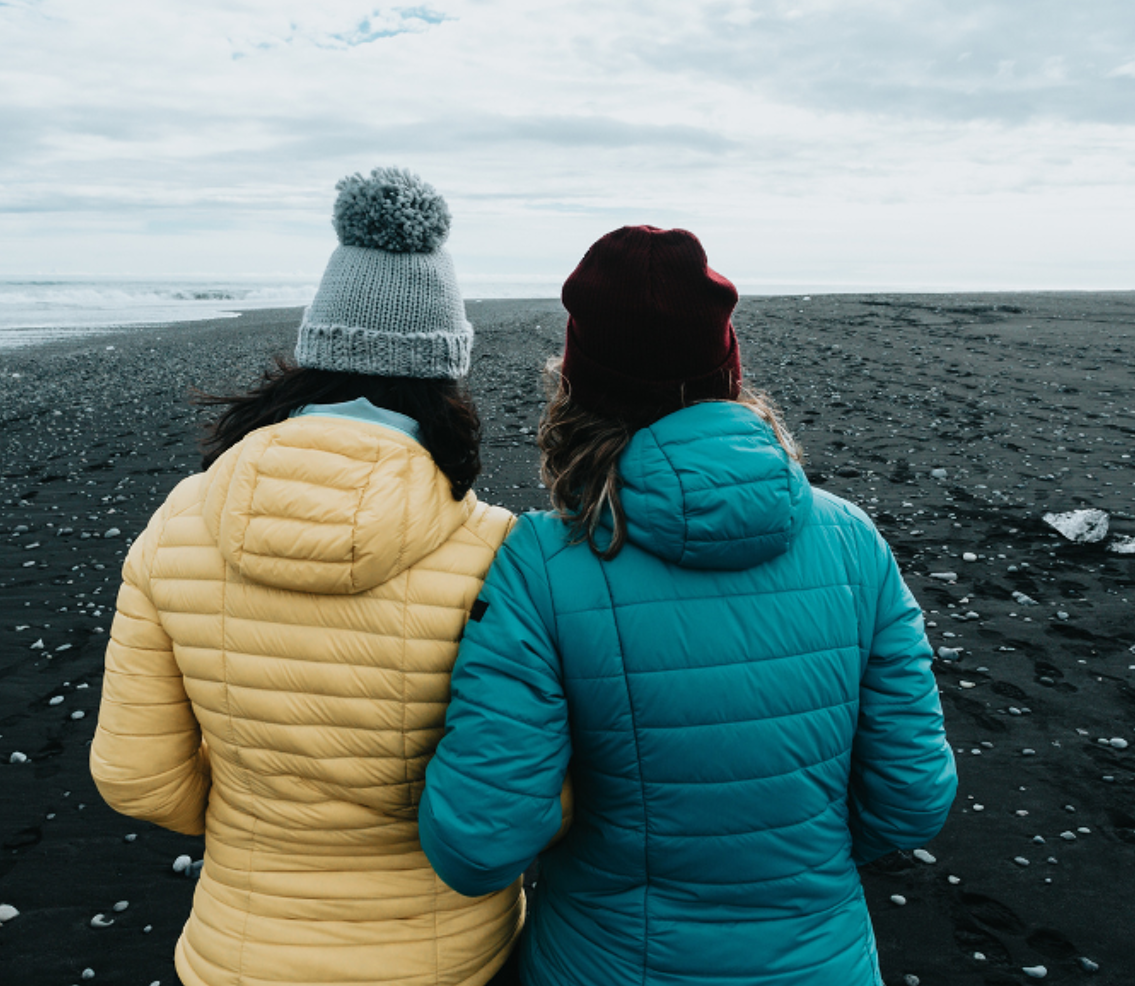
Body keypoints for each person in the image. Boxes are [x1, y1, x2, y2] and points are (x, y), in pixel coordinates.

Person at [418, 225, 959, 985]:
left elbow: (479, 843)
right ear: (728, 370)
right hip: (822, 959)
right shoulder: (852, 541)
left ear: (577, 384)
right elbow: (912, 798)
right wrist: (798, 860)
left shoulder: (544, 562)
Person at [91, 168, 525, 986]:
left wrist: (261, 818)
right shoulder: (501, 548)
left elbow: (136, 777)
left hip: (240, 952)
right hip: (447, 955)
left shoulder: (179, 523)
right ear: (445, 371)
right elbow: (528, 792)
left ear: (313, 352)